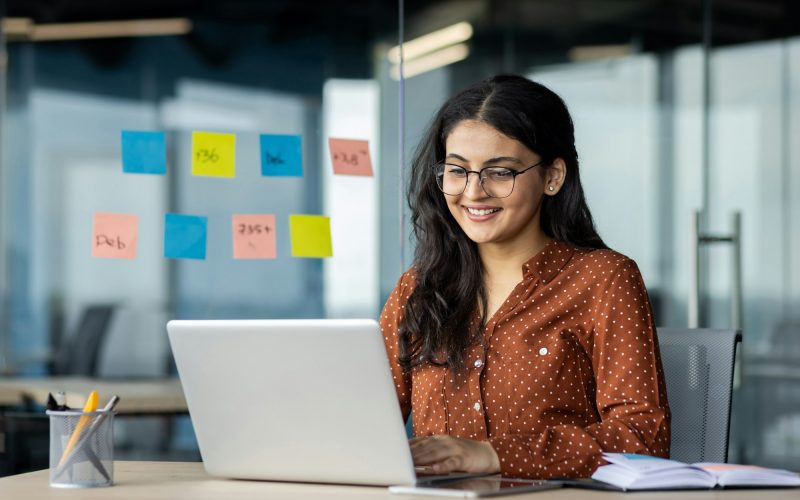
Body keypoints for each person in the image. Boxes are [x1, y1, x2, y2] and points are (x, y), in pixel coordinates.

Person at [379, 75, 671, 480]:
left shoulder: (603, 279)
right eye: (457, 170)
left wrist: (492, 455)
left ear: (552, 177)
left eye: (500, 172)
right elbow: (364, 420)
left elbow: (643, 437)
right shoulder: (418, 288)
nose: (473, 192)